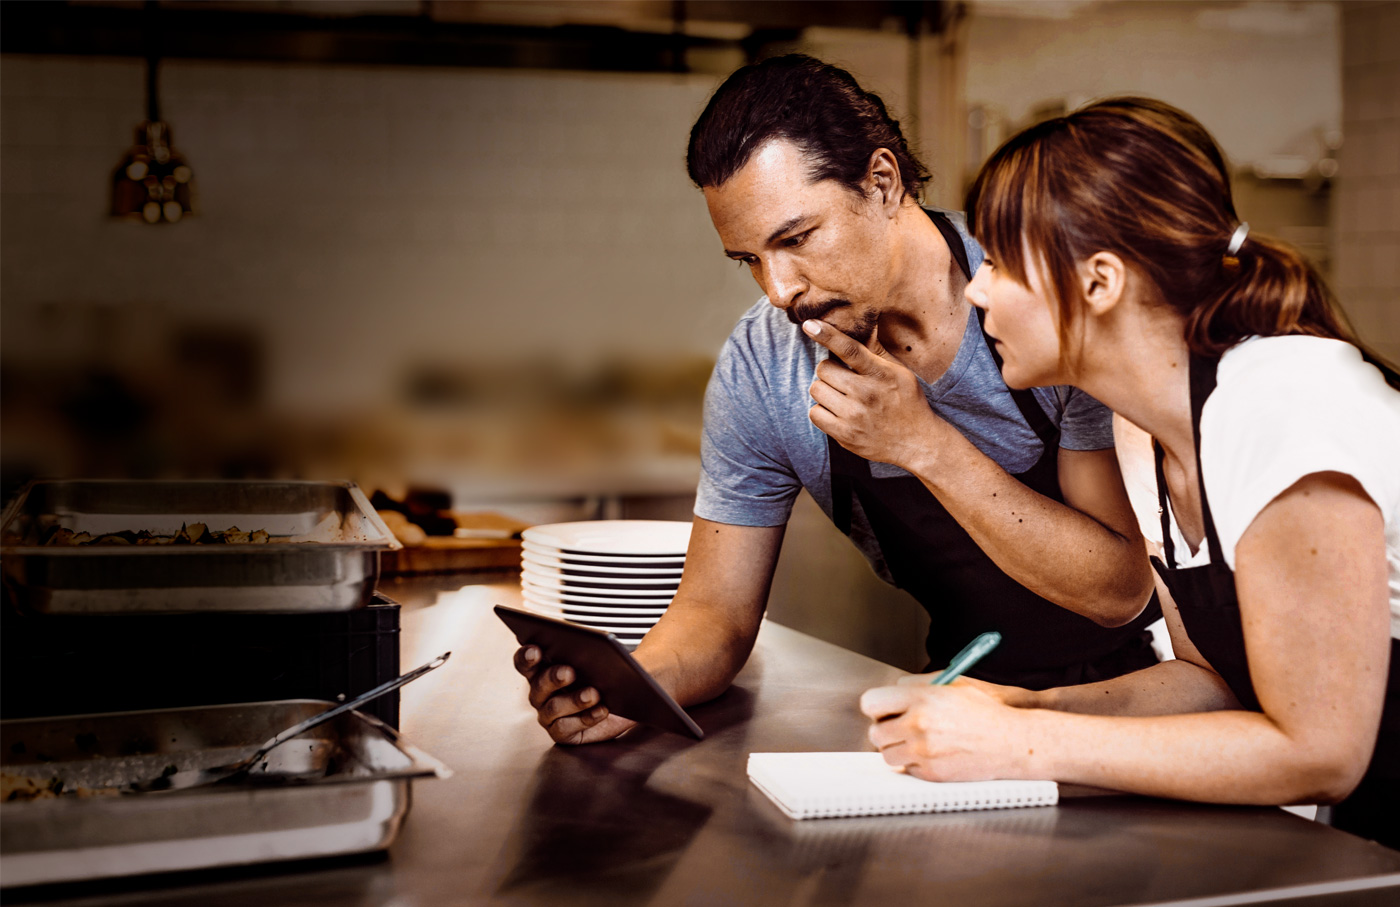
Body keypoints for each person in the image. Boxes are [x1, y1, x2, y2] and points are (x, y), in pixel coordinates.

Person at [515, 55, 1160, 746]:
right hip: (959, 708)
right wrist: (632, 685)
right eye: (751, 258)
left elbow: (1120, 592)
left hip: (1134, 699)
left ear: (882, 182)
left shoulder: (1036, 300)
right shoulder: (763, 368)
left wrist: (922, 443)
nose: (779, 289)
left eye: (796, 239)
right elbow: (716, 611)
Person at [858, 96, 1400, 849]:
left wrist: (1021, 747)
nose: (978, 289)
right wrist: (1027, 708)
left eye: (1003, 263)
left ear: (1100, 281)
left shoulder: (1281, 407)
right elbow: (1211, 681)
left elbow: (1321, 751)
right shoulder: (1142, 431)